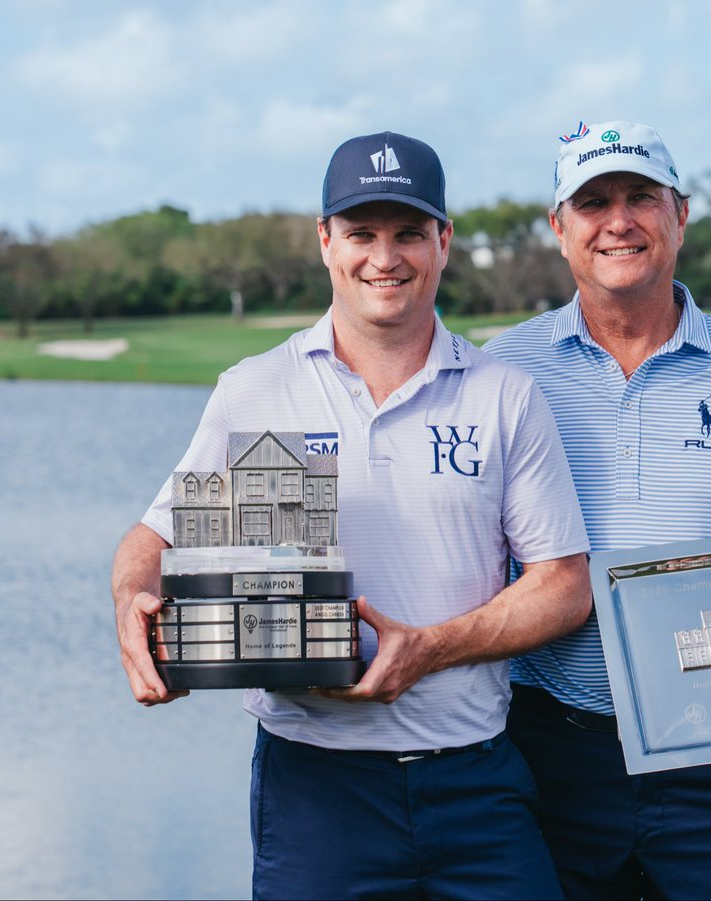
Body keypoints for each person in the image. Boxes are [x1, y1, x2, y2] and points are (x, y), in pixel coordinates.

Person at [110, 130, 593, 900]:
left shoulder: (504, 394)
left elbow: (565, 583)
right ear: (325, 240)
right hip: (315, 789)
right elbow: (155, 538)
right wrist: (133, 605)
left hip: (474, 778)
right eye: (362, 233)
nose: (384, 257)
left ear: (444, 241)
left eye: (408, 233)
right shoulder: (254, 390)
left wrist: (427, 649)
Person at [483, 120, 711, 901]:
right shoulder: (502, 371)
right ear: (559, 229)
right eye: (592, 202)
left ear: (680, 215)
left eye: (640, 197)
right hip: (547, 752)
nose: (619, 220)